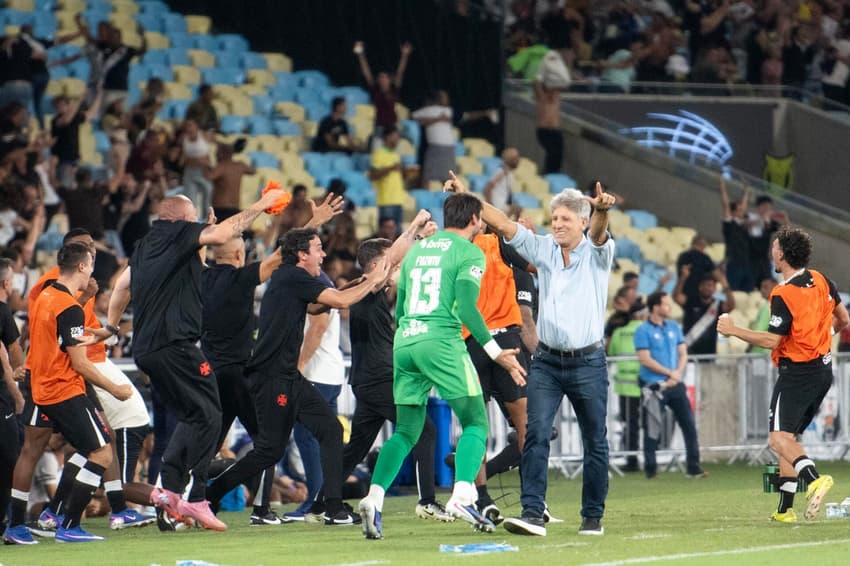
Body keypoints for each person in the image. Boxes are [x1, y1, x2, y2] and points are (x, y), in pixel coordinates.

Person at [96, 189, 290, 531]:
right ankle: (196, 497)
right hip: (176, 345)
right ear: (182, 219)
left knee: (193, 415)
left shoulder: (145, 246)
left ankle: (169, 493)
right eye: (195, 219)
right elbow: (219, 234)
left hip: (147, 350)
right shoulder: (180, 231)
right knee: (211, 414)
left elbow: (122, 286)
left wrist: (111, 326)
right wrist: (260, 205)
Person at [449, 174, 616, 537]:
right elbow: (504, 223)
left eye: (565, 219)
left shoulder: (597, 253)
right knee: (535, 432)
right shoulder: (543, 249)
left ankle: (592, 516)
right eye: (554, 218)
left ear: (582, 222)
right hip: (547, 361)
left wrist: (601, 211)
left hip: (588, 361)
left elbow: (601, 232)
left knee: (595, 440)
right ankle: (532, 513)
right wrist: (469, 197)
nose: (557, 225)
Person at [358, 191, 527, 540]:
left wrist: (410, 338)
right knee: (475, 422)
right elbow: (467, 309)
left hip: (405, 341)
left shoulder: (419, 248)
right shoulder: (470, 251)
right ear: (476, 220)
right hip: (441, 341)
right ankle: (463, 495)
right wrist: (496, 352)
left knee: (406, 431)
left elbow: (401, 305)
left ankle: (373, 500)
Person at [203, 227, 392, 525]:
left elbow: (321, 303)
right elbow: (340, 302)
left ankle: (331, 506)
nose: (324, 254)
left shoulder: (292, 278)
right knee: (269, 451)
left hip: (285, 375)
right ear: (303, 254)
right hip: (273, 377)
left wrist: (363, 281)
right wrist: (373, 280)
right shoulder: (292, 277)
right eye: (318, 248)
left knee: (328, 430)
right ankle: (211, 495)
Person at [318, 213, 449, 523]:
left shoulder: (365, 291)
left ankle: (323, 502)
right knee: (424, 431)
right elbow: (393, 259)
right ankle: (428, 500)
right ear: (377, 266)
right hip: (379, 379)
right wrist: (416, 230)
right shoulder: (368, 287)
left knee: (357, 447)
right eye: (393, 264)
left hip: (368, 380)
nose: (399, 268)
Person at [718, 227, 849, 523]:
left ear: (782, 254)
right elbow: (844, 319)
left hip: (797, 373)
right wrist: (823, 337)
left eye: (774, 248)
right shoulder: (821, 280)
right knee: (788, 438)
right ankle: (784, 510)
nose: (771, 252)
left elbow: (771, 341)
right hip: (822, 371)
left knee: (777, 440)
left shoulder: (784, 293)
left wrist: (733, 329)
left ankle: (814, 479)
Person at [5, 243, 132, 544]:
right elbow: (79, 362)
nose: (92, 265)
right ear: (82, 267)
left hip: (38, 385)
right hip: (64, 390)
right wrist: (116, 388)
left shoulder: (46, 295)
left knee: (30, 453)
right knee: (101, 452)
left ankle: (16, 525)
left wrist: (87, 301)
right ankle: (69, 524)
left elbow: (59, 337)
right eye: (90, 260)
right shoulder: (70, 308)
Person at [202, 237, 284, 526]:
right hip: (238, 374)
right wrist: (313, 223)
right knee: (269, 441)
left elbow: (197, 252)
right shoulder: (241, 278)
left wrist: (209, 232)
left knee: (208, 445)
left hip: (211, 374)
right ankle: (261, 509)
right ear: (239, 253)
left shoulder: (203, 277)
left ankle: (189, 502)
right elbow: (279, 256)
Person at [634, 292, 706, 480]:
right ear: (655, 307)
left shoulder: (674, 327)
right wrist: (670, 373)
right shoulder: (643, 330)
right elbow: (644, 359)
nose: (669, 308)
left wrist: (677, 374)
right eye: (666, 304)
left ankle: (693, 467)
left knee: (689, 424)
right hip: (654, 386)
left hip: (675, 384)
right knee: (652, 428)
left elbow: (683, 353)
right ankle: (651, 470)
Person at [607, 298, 647, 473]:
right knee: (648, 422)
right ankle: (647, 457)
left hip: (624, 386)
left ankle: (632, 458)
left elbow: (611, 352)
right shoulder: (646, 331)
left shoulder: (618, 332)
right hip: (645, 383)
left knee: (629, 424)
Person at [0, 258, 24, 540]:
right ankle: (9, 524)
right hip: (1, 398)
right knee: (8, 459)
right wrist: (18, 391)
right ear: (7, 283)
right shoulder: (3, 312)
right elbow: (11, 357)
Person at [673, 268, 735, 356]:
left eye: (710, 285)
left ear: (714, 289)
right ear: (699, 287)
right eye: (704, 285)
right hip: (688, 353)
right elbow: (676, 297)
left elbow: (731, 305)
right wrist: (683, 278)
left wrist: (724, 282)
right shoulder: (691, 300)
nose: (706, 288)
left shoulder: (718, 305)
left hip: (709, 353)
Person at [354, 41, 412, 133]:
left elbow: (400, 72)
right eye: (380, 77)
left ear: (390, 80)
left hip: (393, 125)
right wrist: (360, 54)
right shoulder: (375, 89)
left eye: (385, 77)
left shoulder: (394, 89)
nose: (382, 79)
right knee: (378, 146)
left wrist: (404, 55)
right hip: (379, 125)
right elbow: (366, 71)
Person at [411, 90, 456, 186]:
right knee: (427, 174)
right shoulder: (430, 110)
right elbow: (412, 116)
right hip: (436, 147)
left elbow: (413, 116)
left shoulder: (447, 110)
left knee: (447, 177)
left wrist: (426, 121)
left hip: (444, 147)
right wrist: (435, 120)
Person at [719, 177, 755, 292]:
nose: (742, 211)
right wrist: (722, 185)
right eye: (738, 210)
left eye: (741, 210)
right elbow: (725, 204)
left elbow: (744, 205)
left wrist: (746, 191)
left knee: (747, 290)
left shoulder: (743, 225)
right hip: (733, 261)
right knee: (732, 289)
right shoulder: (730, 223)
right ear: (733, 212)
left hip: (746, 261)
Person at [206, 142, 256, 221]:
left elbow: (209, 176)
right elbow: (253, 171)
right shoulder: (240, 165)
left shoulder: (222, 166)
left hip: (220, 208)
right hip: (234, 207)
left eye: (217, 153)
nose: (215, 155)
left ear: (222, 154)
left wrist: (205, 164)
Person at [368, 126, 406, 229]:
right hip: (385, 201)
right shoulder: (378, 154)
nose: (398, 140)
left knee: (398, 236)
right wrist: (390, 168)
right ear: (388, 137)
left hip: (398, 200)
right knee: (386, 236)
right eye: (396, 137)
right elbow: (372, 175)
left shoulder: (396, 155)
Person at [675, 234, 716, 302]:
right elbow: (715, 274)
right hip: (701, 295)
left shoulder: (683, 256)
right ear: (702, 245)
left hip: (683, 292)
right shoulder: (705, 258)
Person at [483, 147, 521, 214]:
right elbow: (487, 189)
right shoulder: (501, 172)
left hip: (503, 206)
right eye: (516, 157)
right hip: (497, 206)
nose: (518, 160)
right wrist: (491, 206)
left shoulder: (509, 173)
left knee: (518, 210)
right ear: (509, 158)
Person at [749, 277, 778, 354]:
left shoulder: (768, 307)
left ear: (775, 287)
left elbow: (758, 332)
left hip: (760, 354)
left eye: (765, 287)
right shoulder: (776, 305)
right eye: (761, 287)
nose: (762, 290)